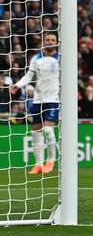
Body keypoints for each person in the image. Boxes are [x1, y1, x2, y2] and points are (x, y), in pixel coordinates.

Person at [11, 33, 61, 175]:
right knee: (35, 132)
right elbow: (29, 76)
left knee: (48, 130)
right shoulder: (36, 58)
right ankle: (38, 164)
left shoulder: (60, 59)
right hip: (38, 99)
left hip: (53, 99)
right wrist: (17, 85)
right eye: (48, 40)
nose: (50, 42)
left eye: (53, 40)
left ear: (57, 42)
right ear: (44, 41)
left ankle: (50, 161)